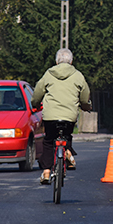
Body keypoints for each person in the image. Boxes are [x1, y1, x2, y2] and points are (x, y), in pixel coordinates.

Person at [32, 48, 91, 185]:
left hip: (50, 116)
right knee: (67, 135)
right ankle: (67, 151)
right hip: (69, 116)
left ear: (57, 61)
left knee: (48, 141)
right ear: (71, 61)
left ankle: (47, 172)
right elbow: (84, 96)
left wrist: (35, 103)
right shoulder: (78, 76)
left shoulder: (48, 74)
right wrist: (86, 106)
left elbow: (37, 93)